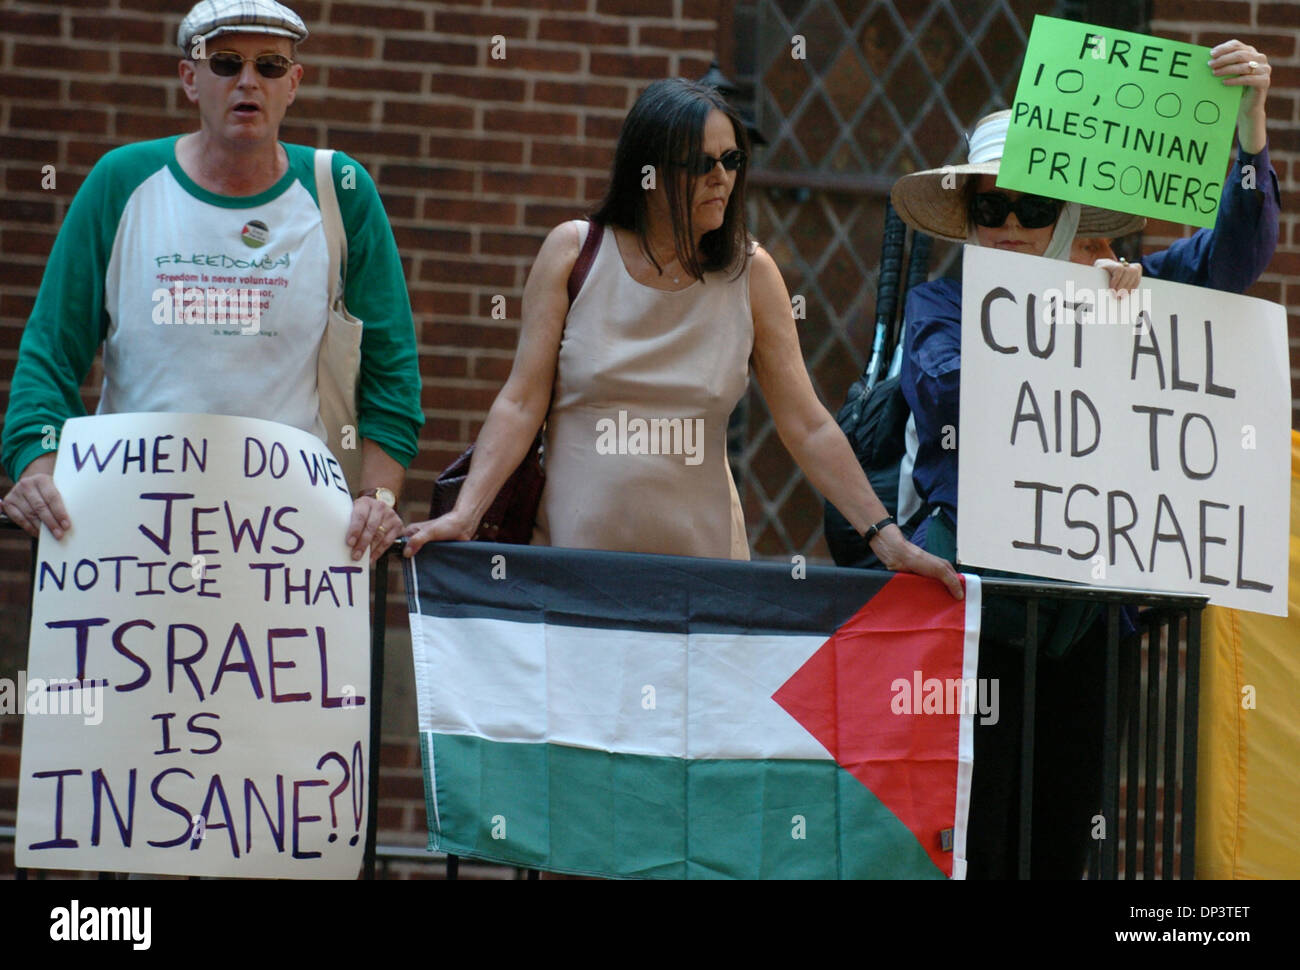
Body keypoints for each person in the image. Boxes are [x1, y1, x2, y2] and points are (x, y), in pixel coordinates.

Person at [888, 39, 1278, 878]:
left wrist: (1249, 136)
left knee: (1066, 842)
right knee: (975, 843)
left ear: (1066, 212)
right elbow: (953, 395)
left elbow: (1234, 260)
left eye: (1033, 208)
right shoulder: (940, 305)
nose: (1014, 230)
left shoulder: (1124, 281)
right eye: (992, 212)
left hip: (1091, 627)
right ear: (967, 222)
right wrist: (1080, 322)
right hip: (976, 620)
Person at [403, 78, 962, 599]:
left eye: (732, 160)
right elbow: (522, 401)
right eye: (701, 164)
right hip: (570, 576)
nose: (722, 177)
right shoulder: (575, 252)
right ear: (645, 172)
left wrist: (885, 536)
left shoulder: (752, 272)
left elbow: (808, 424)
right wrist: (465, 515)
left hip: (703, 584)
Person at [1, 0, 421, 563]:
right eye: (225, 63)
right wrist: (37, 467)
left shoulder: (341, 190)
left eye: (270, 65)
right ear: (190, 79)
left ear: (293, 83)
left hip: (285, 535)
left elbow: (391, 368)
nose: (248, 81)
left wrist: (376, 494)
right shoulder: (120, 181)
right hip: (132, 526)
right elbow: (50, 351)